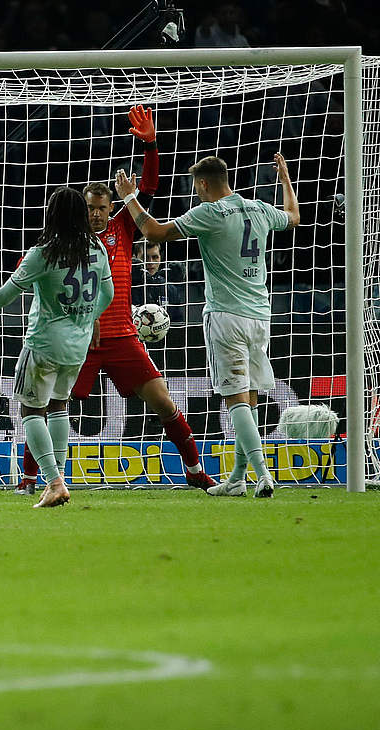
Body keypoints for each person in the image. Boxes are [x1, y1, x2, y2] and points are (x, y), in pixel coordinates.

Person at [18, 106, 211, 495]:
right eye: (89, 208)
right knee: (44, 405)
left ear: (111, 209)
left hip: (121, 334)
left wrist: (151, 146)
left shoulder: (123, 227)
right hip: (77, 340)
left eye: (101, 208)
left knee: (163, 401)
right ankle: (31, 478)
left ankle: (193, 469)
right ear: (82, 208)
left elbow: (151, 189)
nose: (95, 214)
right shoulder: (66, 240)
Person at [116, 152, 299, 497]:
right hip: (260, 315)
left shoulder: (210, 212)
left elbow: (153, 230)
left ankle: (263, 475)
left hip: (226, 317)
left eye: (196, 186)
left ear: (202, 183)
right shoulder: (259, 208)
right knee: (251, 398)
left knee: (235, 398)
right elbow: (293, 216)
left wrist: (129, 196)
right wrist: (285, 179)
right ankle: (239, 479)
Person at [0, 187, 114, 508]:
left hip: (45, 343)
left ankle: (54, 481)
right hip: (77, 345)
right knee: (60, 406)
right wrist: (88, 321)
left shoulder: (44, 252)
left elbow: (5, 294)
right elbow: (109, 294)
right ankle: (59, 477)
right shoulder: (97, 247)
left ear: (52, 214)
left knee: (31, 410)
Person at [130, 240, 185, 318]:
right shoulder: (126, 286)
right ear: (134, 258)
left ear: (160, 258)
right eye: (145, 257)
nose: (150, 262)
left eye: (155, 257)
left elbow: (178, 322)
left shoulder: (170, 289)